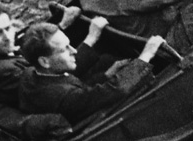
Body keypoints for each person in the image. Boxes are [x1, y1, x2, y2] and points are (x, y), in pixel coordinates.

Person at [17, 21, 164, 124]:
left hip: (82, 107)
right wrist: (146, 55)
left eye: (70, 45)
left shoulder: (30, 74)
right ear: (44, 62)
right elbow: (116, 90)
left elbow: (81, 92)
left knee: (106, 60)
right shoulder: (63, 97)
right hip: (99, 120)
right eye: (64, 49)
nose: (74, 51)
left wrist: (106, 75)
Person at [0, 2, 82, 106]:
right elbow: (55, 77)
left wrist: (63, 24)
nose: (8, 37)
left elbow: (35, 45)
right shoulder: (2, 74)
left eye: (8, 28)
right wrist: (91, 40)